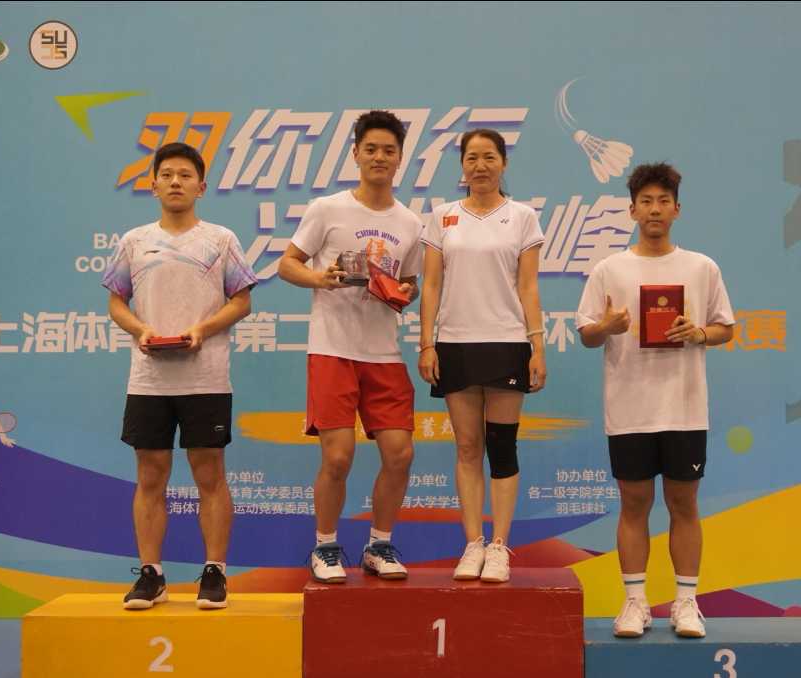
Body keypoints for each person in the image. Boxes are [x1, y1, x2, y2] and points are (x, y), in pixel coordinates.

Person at [576, 162, 734, 638]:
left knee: (684, 504)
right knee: (634, 505)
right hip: (629, 410)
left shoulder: (701, 267)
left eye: (663, 201)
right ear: (632, 210)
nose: (655, 209)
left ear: (677, 209)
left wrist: (698, 333)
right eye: (645, 201)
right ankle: (635, 603)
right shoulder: (609, 269)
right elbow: (587, 333)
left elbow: (725, 327)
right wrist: (607, 327)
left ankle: (686, 603)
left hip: (684, 408)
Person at [103, 142, 257, 610]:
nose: (176, 182)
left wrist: (202, 330)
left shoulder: (221, 239)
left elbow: (242, 300)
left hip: (206, 379)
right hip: (148, 381)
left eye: (185, 175)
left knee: (209, 473)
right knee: (150, 474)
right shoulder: (134, 241)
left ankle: (215, 572)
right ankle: (151, 575)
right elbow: (116, 302)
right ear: (152, 185)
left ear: (201, 187)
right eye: (167, 174)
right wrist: (141, 330)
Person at [278, 110, 423, 583]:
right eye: (371, 149)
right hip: (333, 349)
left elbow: (410, 282)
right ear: (356, 153)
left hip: (384, 353)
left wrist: (406, 292)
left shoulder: (410, 222)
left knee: (400, 454)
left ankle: (378, 546)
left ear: (400, 158)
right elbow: (287, 264)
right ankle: (325, 548)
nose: (380, 157)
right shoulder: (327, 209)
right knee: (337, 458)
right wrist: (321, 278)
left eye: (389, 150)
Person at [417, 129, 546, 583]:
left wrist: (537, 346)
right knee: (468, 447)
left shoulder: (523, 217)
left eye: (489, 157)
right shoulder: (442, 217)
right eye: (472, 158)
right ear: (462, 166)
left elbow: (528, 286)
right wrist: (427, 343)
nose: (480, 166)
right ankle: (473, 544)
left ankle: (499, 547)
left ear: (504, 163)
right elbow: (431, 285)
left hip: (508, 342)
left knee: (501, 446)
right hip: (455, 344)